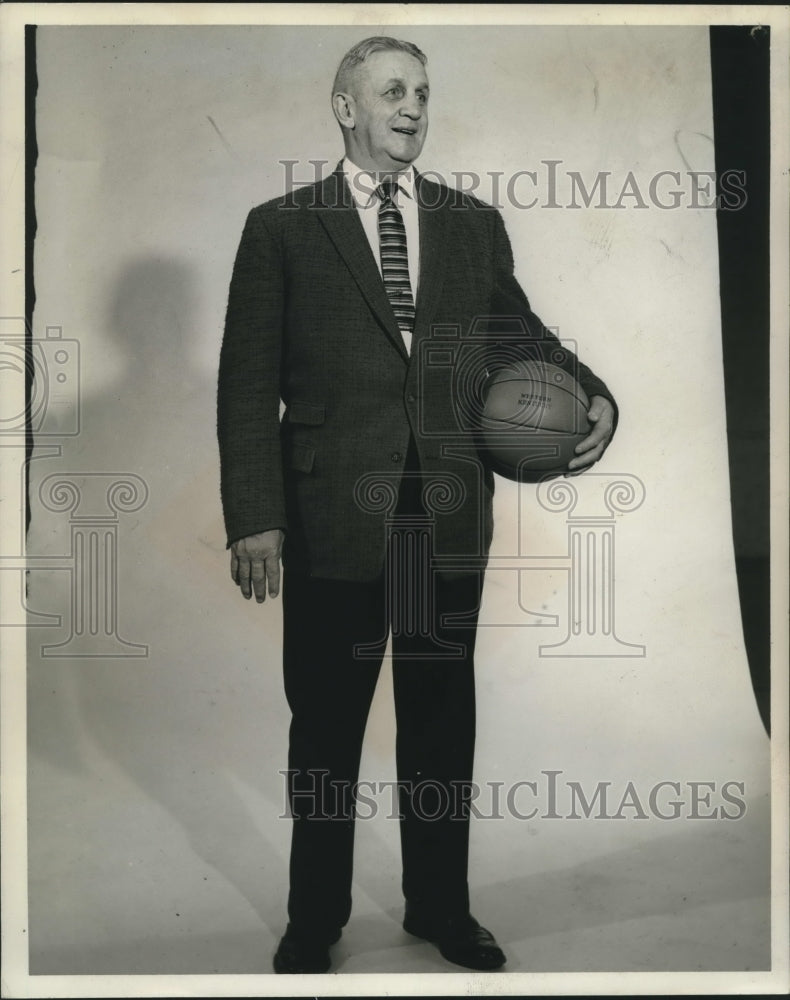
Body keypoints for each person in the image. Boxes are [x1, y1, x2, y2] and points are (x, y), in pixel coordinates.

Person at [217, 35, 617, 974]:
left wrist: (595, 393)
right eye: (392, 90)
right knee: (325, 723)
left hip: (443, 514)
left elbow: (522, 335)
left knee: (440, 716)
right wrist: (255, 515)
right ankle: (314, 918)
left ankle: (441, 907)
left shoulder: (470, 224)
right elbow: (246, 387)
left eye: (424, 93)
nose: (413, 106)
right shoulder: (280, 226)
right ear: (344, 107)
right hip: (327, 519)